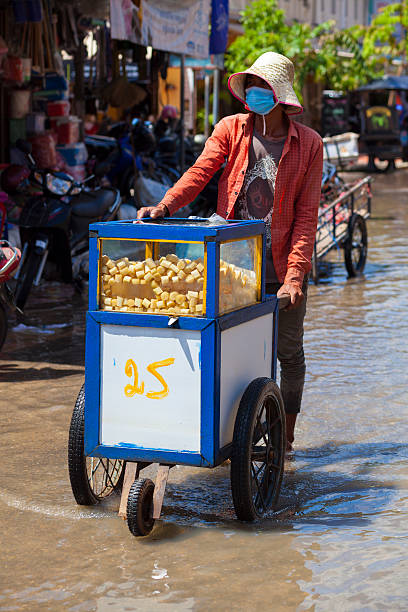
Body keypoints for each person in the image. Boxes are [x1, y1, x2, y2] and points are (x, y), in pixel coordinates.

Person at [138, 52, 323, 452]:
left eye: (263, 88)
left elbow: (306, 218)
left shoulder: (309, 144)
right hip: (232, 264)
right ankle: (224, 433)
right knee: (229, 349)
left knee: (288, 354)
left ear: (280, 96)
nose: (255, 94)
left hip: (279, 269)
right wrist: (165, 206)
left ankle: (284, 440)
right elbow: (200, 172)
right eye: (251, 87)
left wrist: (294, 279)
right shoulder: (231, 129)